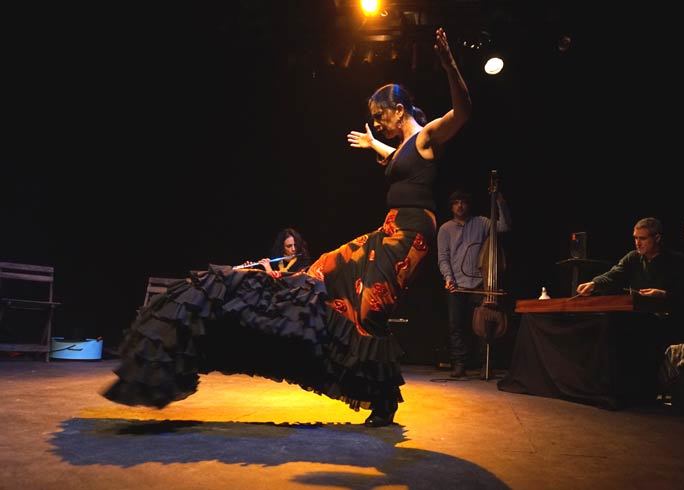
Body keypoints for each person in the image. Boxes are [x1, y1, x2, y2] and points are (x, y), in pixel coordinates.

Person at [103, 27, 471, 428]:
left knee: (371, 309)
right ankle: (355, 378)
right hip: (388, 228)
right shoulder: (401, 149)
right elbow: (393, 157)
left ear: (398, 109)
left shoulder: (427, 137)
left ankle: (383, 401)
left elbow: (464, 111)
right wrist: (373, 147)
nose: (377, 125)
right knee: (324, 273)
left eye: (380, 117)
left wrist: (450, 66)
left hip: (412, 234)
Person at [576, 216, 684, 403]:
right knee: (611, 326)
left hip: (668, 320)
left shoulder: (676, 261)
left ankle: (645, 392)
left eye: (643, 238)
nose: (637, 243)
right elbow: (614, 274)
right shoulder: (633, 258)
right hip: (640, 317)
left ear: (657, 238)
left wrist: (663, 294)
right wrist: (593, 283)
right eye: (635, 238)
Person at [437, 189, 511, 377]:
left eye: (463, 202)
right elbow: (443, 258)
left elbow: (504, 227)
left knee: (483, 325)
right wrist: (448, 279)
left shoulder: (482, 222)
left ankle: (484, 364)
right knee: (456, 325)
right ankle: (459, 364)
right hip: (456, 284)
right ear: (451, 206)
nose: (460, 205)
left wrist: (499, 203)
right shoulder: (445, 228)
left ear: (468, 205)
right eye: (456, 202)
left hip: (480, 283)